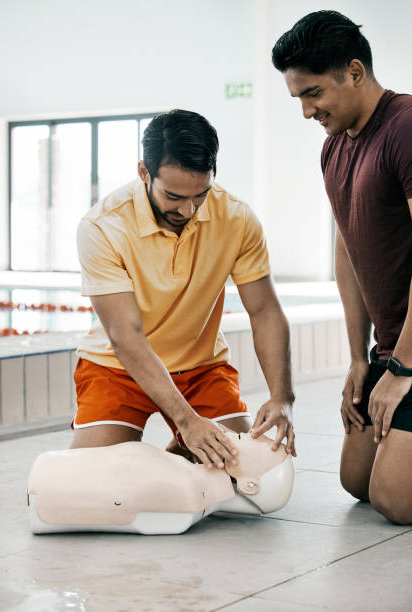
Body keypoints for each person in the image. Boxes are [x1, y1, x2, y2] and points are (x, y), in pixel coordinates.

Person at [272, 11, 412, 524]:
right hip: (398, 342)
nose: (306, 111)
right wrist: (360, 358)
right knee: (358, 484)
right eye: (298, 97)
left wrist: (403, 370)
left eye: (313, 94)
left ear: (353, 71)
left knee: (400, 499)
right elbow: (347, 249)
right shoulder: (333, 149)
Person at [72, 109, 296, 468]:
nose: (188, 209)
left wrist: (281, 396)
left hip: (200, 368)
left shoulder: (236, 217)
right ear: (144, 171)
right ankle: (178, 450)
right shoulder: (102, 226)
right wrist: (188, 422)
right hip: (118, 369)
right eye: (174, 196)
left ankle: (177, 456)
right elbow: (124, 336)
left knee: (258, 474)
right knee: (92, 478)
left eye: (201, 195)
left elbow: (265, 311)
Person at [28, 432, 295, 535]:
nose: (237, 434)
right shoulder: (189, 487)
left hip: (45, 483)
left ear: (250, 486)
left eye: (240, 436)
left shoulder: (188, 495)